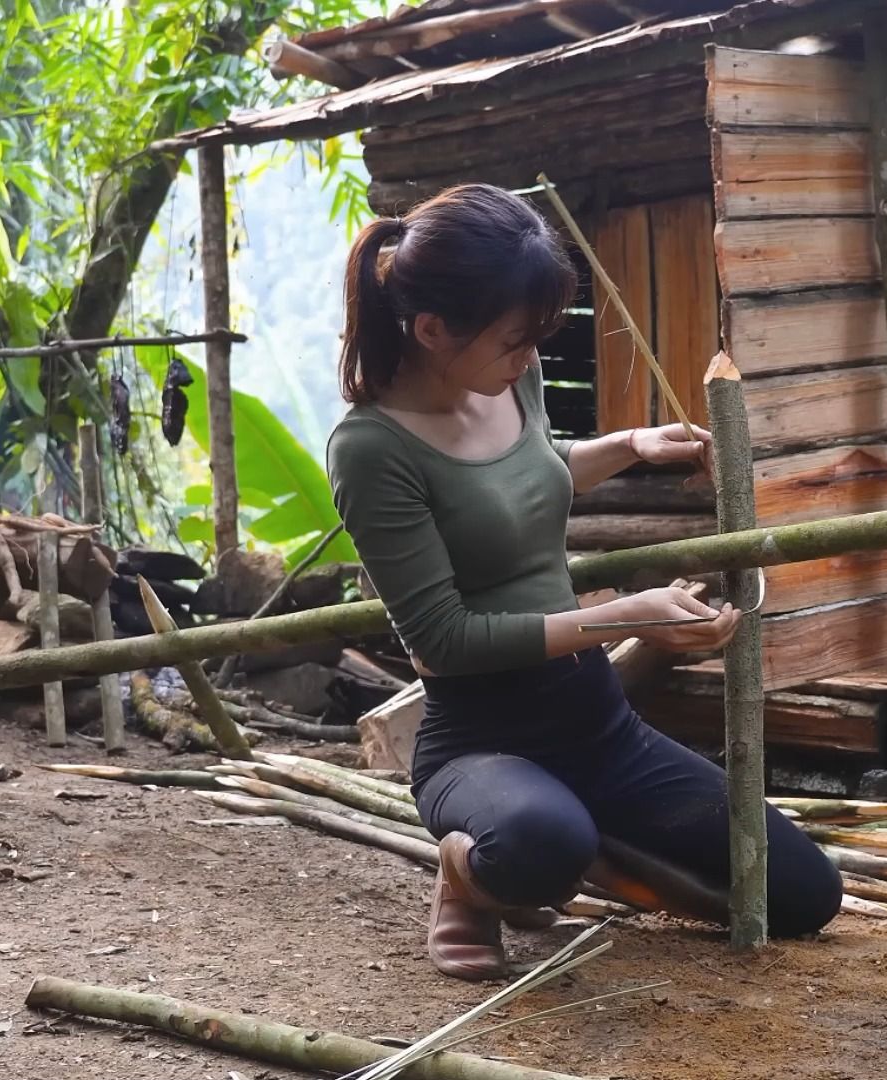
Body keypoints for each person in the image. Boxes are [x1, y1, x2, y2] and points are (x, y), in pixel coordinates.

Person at [326, 184, 842, 981]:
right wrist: (624, 615)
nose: (530, 358)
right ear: (432, 330)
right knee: (539, 842)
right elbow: (445, 641)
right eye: (513, 341)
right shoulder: (371, 450)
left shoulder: (506, 379)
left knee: (807, 894)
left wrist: (633, 443)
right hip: (482, 739)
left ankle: (573, 845)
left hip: (597, 727)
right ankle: (473, 873)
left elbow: (528, 476)